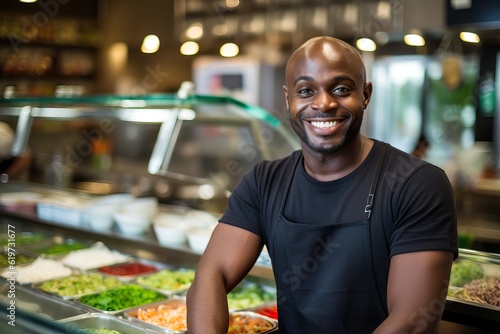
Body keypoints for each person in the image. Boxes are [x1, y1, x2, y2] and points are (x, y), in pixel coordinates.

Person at [186, 36, 458, 333]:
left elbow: (411, 320)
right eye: (306, 90)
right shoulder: (264, 181)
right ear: (288, 98)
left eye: (341, 89)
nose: (324, 103)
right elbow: (211, 274)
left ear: (366, 95)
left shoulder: (417, 184)